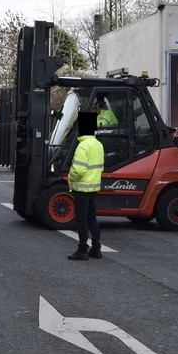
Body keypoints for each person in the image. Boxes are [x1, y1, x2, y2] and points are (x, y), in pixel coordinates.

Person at [68, 111, 104, 260]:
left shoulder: (83, 146)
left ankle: (82, 250)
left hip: (81, 187)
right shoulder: (98, 144)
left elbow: (79, 169)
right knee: (92, 218)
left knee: (81, 219)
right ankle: (96, 249)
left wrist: (71, 177)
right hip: (93, 187)